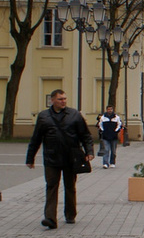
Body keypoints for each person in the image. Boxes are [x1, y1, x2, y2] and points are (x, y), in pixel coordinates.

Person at [26, 89, 94, 230]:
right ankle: (50, 218)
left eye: (64, 99)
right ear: (52, 100)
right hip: (51, 157)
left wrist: (89, 152)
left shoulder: (74, 115)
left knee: (70, 187)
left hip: (71, 157)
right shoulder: (44, 117)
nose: (63, 101)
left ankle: (70, 214)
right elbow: (36, 138)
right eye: (60, 99)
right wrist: (30, 158)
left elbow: (85, 135)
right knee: (51, 186)